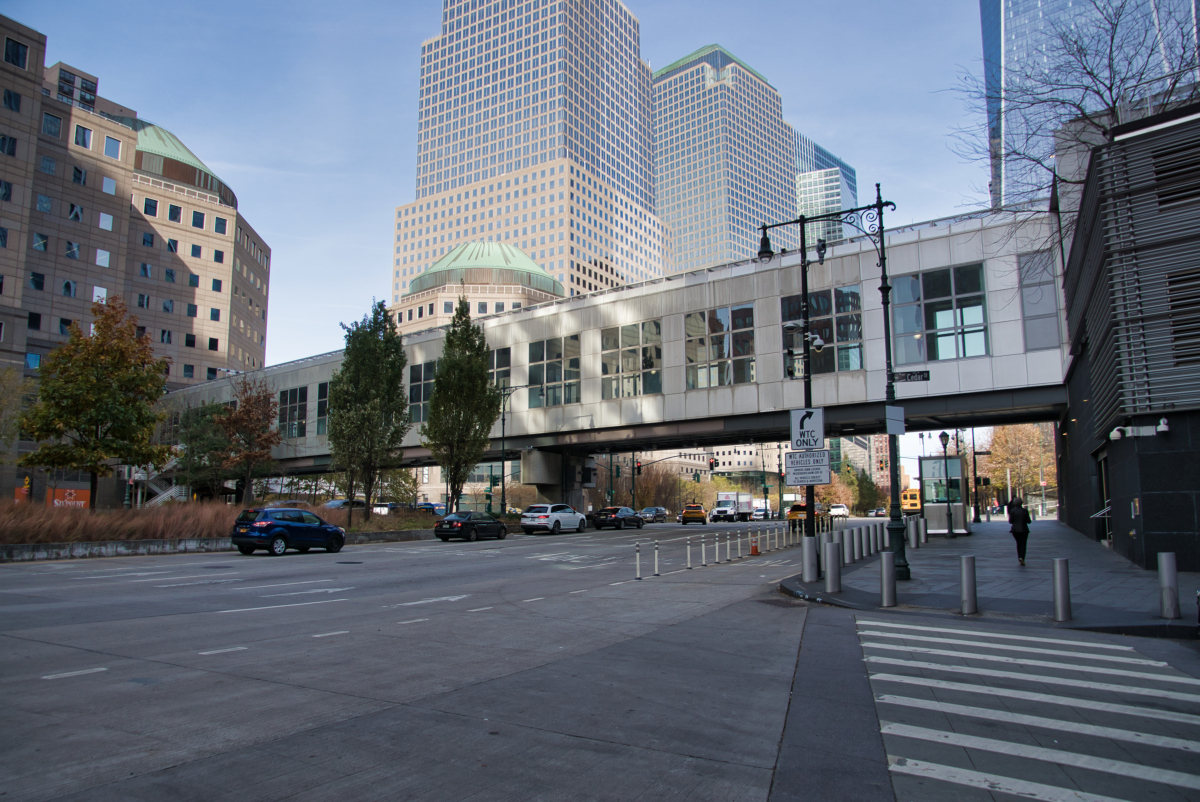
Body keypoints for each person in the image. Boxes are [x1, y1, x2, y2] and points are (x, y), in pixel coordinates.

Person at [1008, 496, 1032, 566]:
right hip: (1024, 529)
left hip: (1015, 530)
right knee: (1023, 544)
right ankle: (1022, 558)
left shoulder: (1012, 511)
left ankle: (1019, 557)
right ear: (1021, 503)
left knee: (1018, 544)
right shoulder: (1025, 511)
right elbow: (1029, 521)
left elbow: (1010, 521)